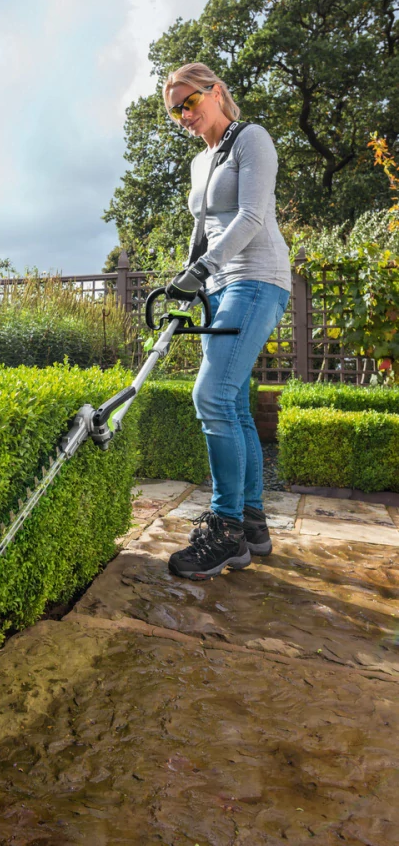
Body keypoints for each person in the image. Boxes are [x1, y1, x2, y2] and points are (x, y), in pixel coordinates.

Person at [162, 62, 291, 580]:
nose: (182, 116)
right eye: (173, 111)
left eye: (188, 103)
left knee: (209, 395)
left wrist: (206, 269)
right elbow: (203, 231)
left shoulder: (250, 139)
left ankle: (226, 528)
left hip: (256, 278)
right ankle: (254, 523)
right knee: (234, 402)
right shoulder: (200, 162)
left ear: (215, 92)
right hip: (217, 286)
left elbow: (252, 217)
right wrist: (189, 281)